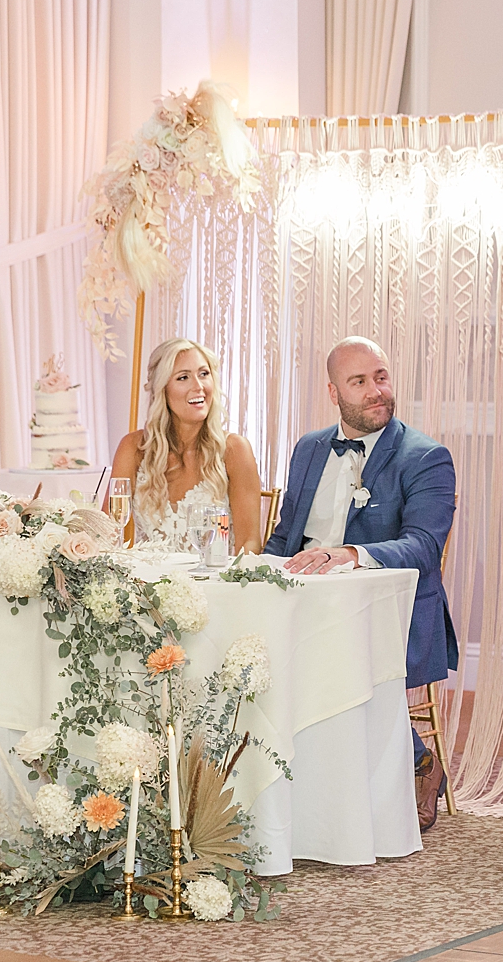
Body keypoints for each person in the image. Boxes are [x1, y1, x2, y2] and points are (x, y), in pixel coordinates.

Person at [264, 336, 458, 832]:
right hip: (304, 601)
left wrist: (349, 555)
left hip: (386, 609)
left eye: (381, 377)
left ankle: (416, 762)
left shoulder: (426, 456)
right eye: (359, 382)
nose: (376, 392)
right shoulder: (309, 448)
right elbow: (287, 536)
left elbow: (423, 548)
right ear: (334, 393)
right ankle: (274, 781)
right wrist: (254, 573)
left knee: (321, 649)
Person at [112, 337, 263, 554]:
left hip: (214, 582)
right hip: (146, 584)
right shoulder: (133, 448)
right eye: (183, 377)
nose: (198, 386)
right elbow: (108, 531)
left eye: (204, 374)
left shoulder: (234, 449)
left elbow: (249, 544)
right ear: (162, 389)